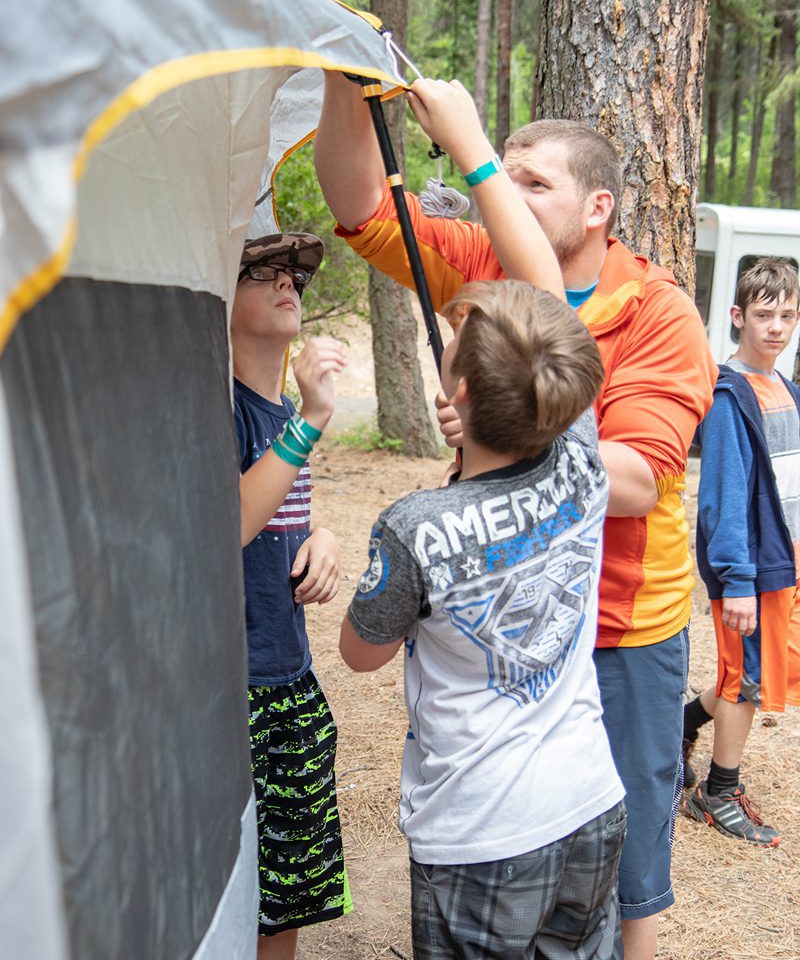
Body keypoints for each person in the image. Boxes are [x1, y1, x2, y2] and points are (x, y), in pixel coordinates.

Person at [314, 74, 716, 960]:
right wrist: (347, 85)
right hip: (492, 618)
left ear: (599, 207)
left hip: (618, 628)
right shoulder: (489, 259)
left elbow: (642, 481)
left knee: (629, 858)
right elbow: (358, 206)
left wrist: (506, 424)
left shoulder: (659, 313)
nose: (515, 197)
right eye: (512, 178)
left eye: (539, 184)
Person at [340, 279, 626, 959]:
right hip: (589, 799)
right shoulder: (582, 457)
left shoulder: (413, 528)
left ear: (460, 392)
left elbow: (360, 651)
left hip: (481, 828)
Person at [232, 232, 351, 960]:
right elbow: (231, 522)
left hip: (290, 676)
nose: (288, 284)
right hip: (232, 687)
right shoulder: (221, 407)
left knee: (289, 890)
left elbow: (278, 516)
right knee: (235, 882)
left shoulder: (279, 414)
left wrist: (326, 539)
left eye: (294, 276)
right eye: (263, 273)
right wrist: (310, 420)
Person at [683, 257, 800, 846]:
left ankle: (685, 720)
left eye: (786, 315)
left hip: (789, 561)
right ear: (737, 317)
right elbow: (723, 498)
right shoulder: (730, 396)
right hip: (752, 569)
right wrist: (737, 580)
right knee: (747, 679)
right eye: (762, 315)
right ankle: (717, 791)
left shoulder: (787, 389)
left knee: (770, 669)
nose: (775, 327)